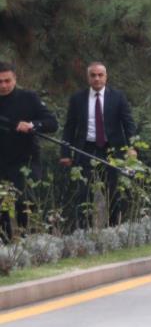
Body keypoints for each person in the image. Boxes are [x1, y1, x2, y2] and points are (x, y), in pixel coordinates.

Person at [60, 62, 137, 226]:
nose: (97, 78)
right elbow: (69, 126)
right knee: (83, 192)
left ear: (106, 77)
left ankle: (114, 229)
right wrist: (65, 153)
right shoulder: (77, 99)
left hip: (111, 149)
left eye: (100, 75)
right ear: (88, 78)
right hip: (85, 148)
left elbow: (128, 123)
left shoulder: (117, 97)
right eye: (93, 75)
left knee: (114, 191)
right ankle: (83, 230)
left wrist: (132, 147)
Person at [0, 61, 58, 240]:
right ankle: (5, 249)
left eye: (7, 81)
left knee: (25, 204)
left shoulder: (28, 97)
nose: (3, 85)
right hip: (1, 161)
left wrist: (33, 125)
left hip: (25, 161)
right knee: (2, 209)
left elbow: (52, 123)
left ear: (15, 79)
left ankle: (31, 244)